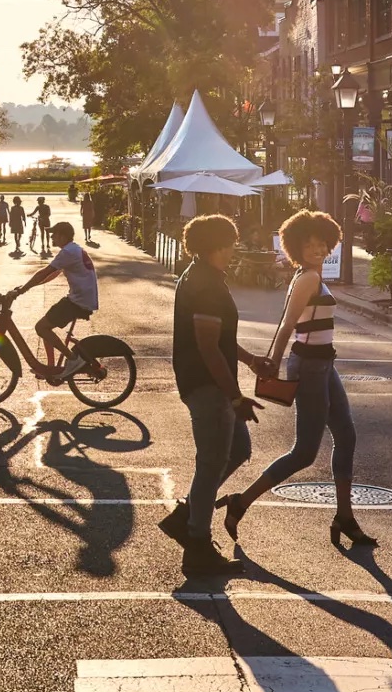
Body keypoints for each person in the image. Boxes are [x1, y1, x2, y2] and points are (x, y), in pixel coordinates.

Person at [220, 211, 376, 550]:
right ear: (297, 247)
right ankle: (241, 502)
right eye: (309, 245)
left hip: (323, 365)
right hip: (309, 367)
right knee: (304, 452)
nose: (317, 249)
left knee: (346, 436)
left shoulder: (312, 276)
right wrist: (273, 362)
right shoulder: (307, 279)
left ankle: (344, 516)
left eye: (322, 243)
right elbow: (288, 323)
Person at [158, 214, 262, 578]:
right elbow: (208, 348)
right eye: (231, 242)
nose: (235, 249)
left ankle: (188, 515)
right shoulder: (205, 285)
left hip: (210, 384)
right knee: (211, 464)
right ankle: (197, 544)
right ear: (217, 245)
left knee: (238, 451)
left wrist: (249, 361)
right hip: (208, 387)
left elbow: (220, 340)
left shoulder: (203, 275)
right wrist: (235, 397)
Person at [4, 221, 98, 378]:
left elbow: (44, 272)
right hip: (82, 298)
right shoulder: (72, 250)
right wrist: (27, 287)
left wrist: (21, 290)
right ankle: (50, 368)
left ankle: (73, 359)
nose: (52, 237)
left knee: (41, 327)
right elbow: (52, 274)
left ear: (63, 236)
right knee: (46, 325)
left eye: (54, 234)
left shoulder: (68, 252)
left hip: (78, 301)